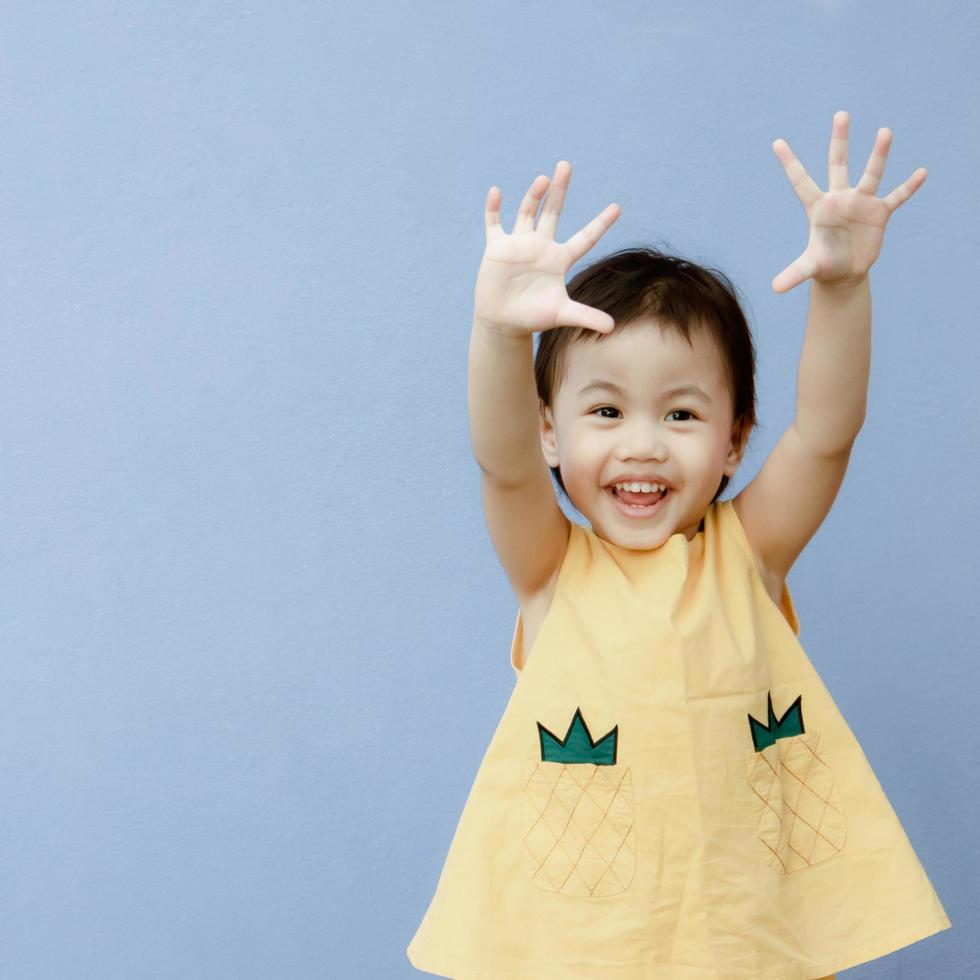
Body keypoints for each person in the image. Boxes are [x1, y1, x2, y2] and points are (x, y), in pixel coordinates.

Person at [406, 111, 951, 979]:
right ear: (551, 432)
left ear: (735, 440)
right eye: (606, 411)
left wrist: (843, 289)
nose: (643, 446)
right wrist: (501, 333)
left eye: (683, 414)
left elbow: (825, 435)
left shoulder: (750, 553)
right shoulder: (552, 570)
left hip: (747, 945)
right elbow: (501, 466)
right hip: (577, 954)